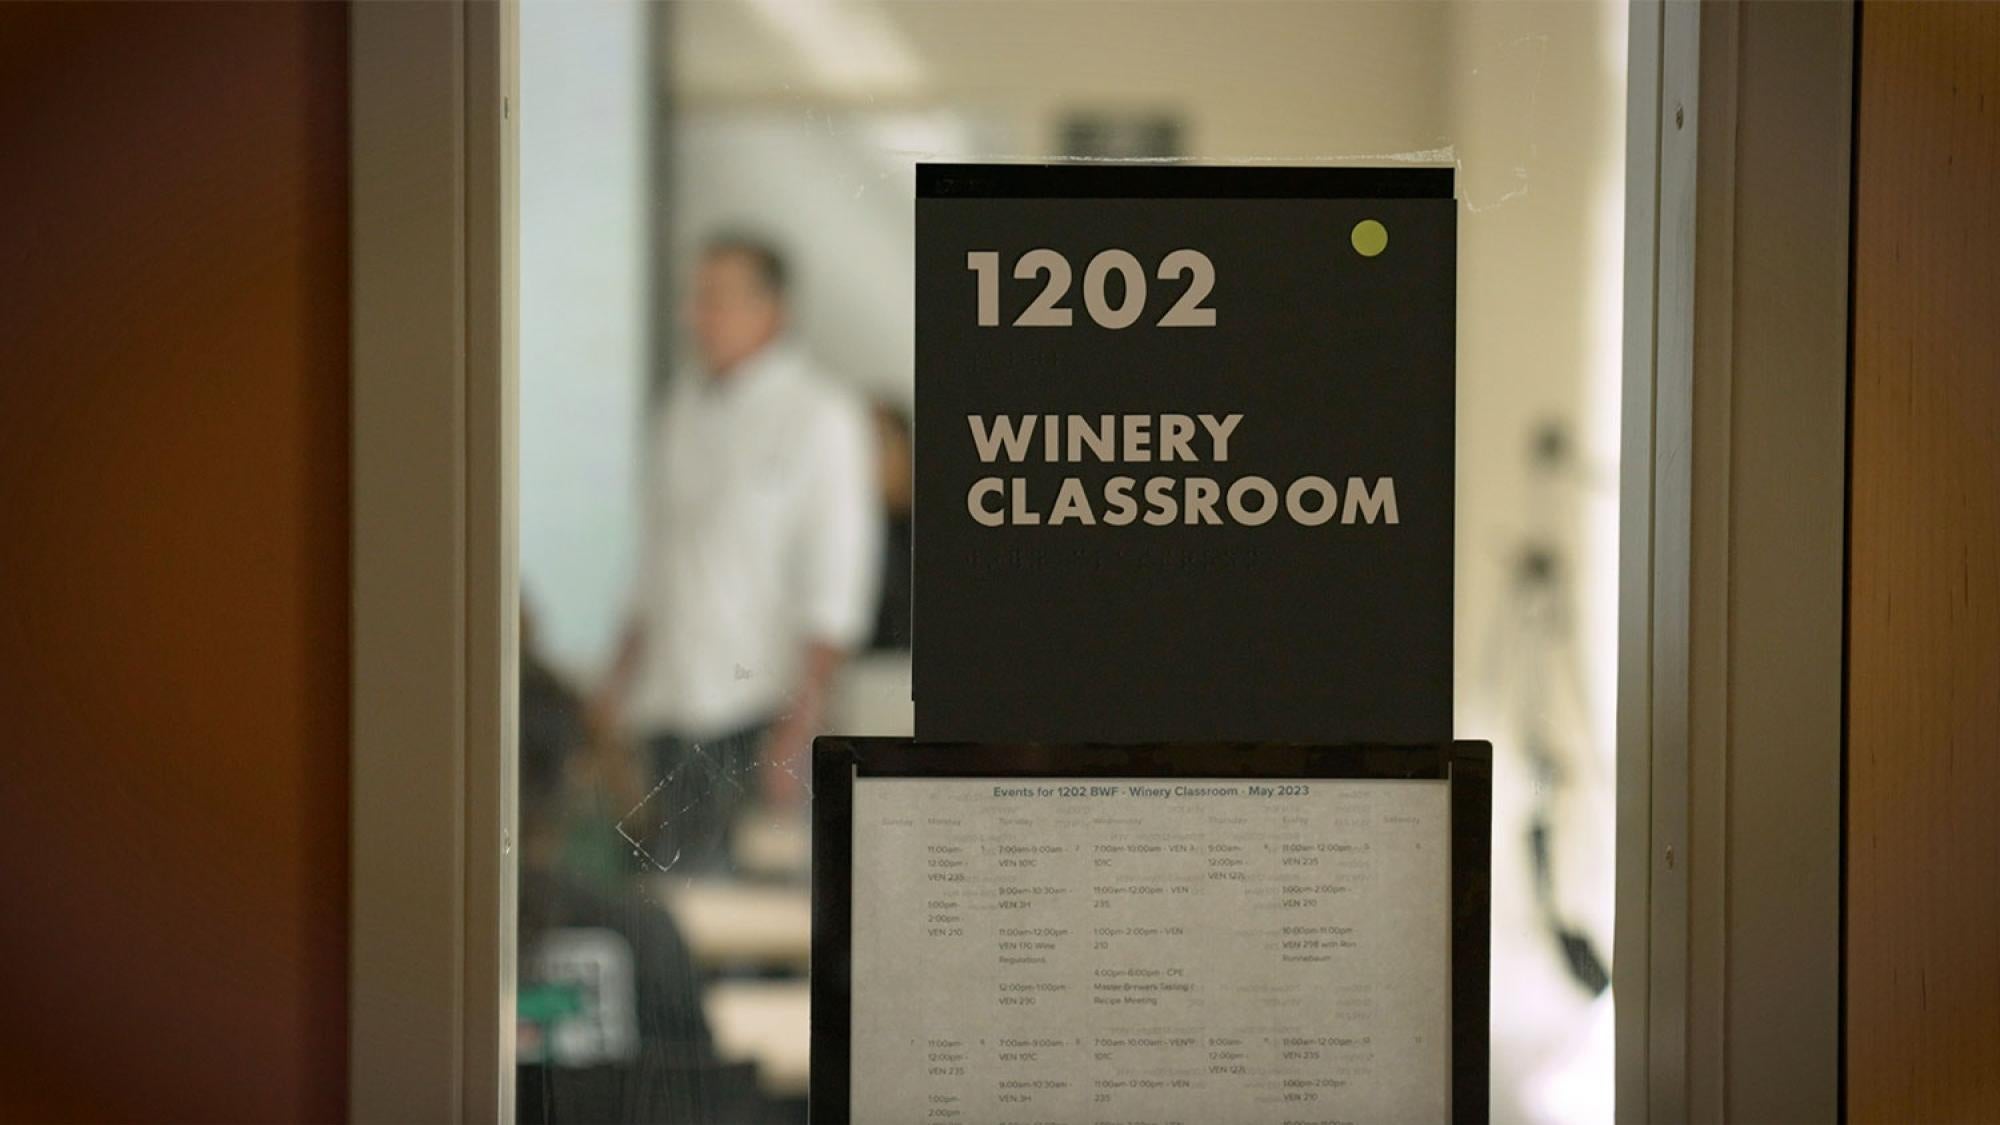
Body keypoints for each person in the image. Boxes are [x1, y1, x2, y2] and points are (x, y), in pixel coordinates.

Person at [595, 232, 881, 873]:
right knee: (660, 886)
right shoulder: (681, 408)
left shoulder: (821, 415)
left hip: (758, 709)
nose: (696, 316)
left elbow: (836, 584)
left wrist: (801, 720)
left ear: (771, 309)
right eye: (696, 299)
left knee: (735, 894)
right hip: (669, 700)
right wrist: (614, 681)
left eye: (715, 299)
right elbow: (654, 565)